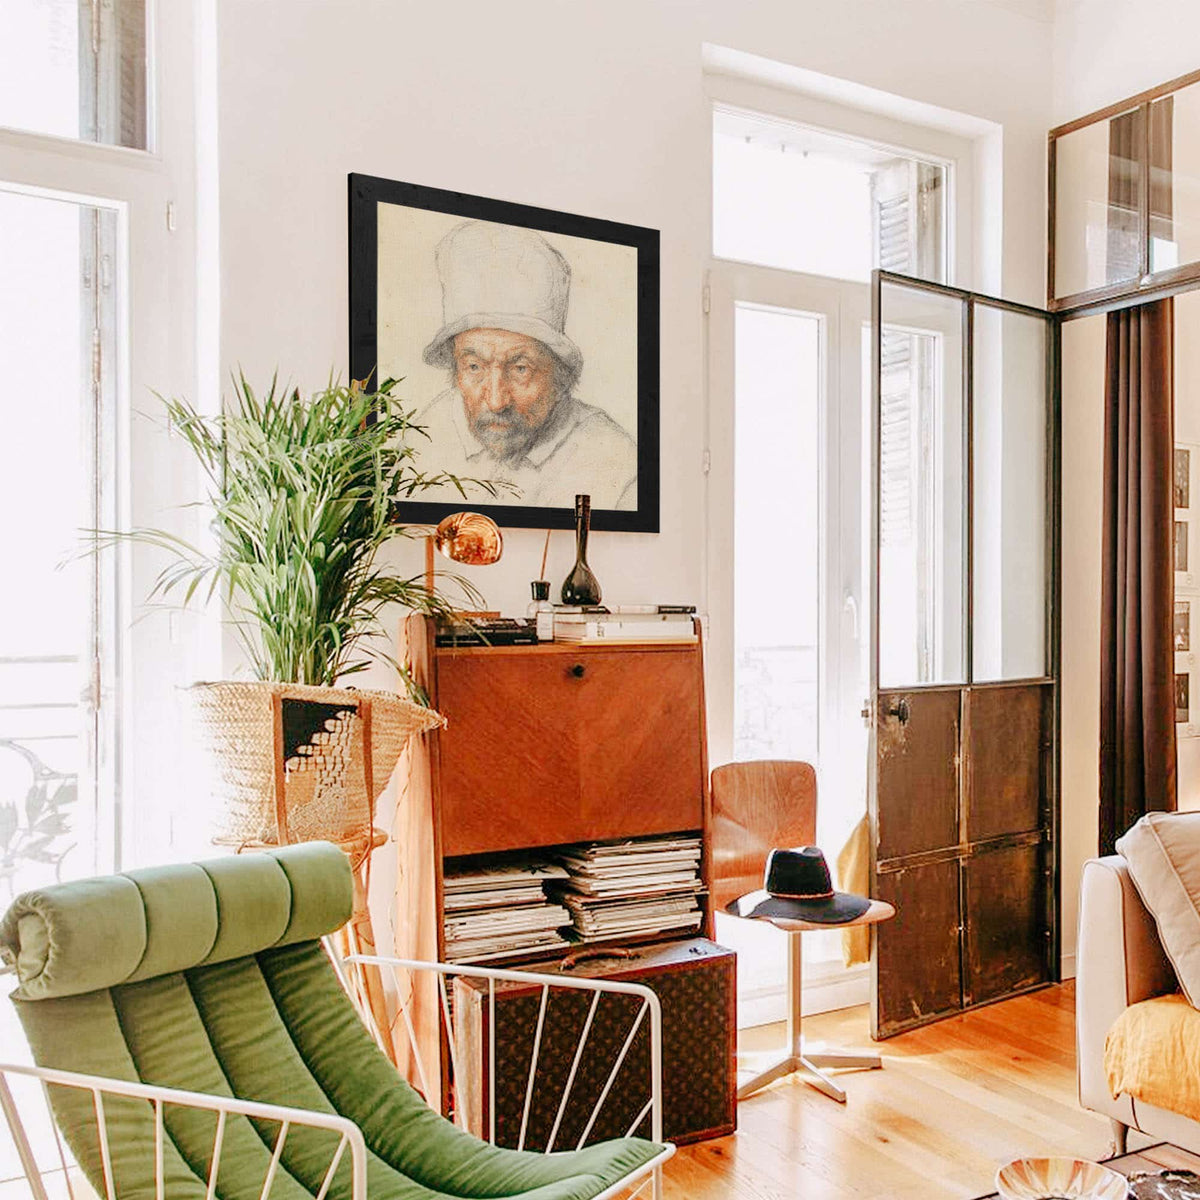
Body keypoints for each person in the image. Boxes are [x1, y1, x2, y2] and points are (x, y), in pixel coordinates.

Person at [417, 219, 637, 510]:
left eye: (521, 369)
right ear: (455, 370)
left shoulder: (616, 460)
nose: (496, 401)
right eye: (474, 367)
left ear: (560, 377)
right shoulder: (427, 431)